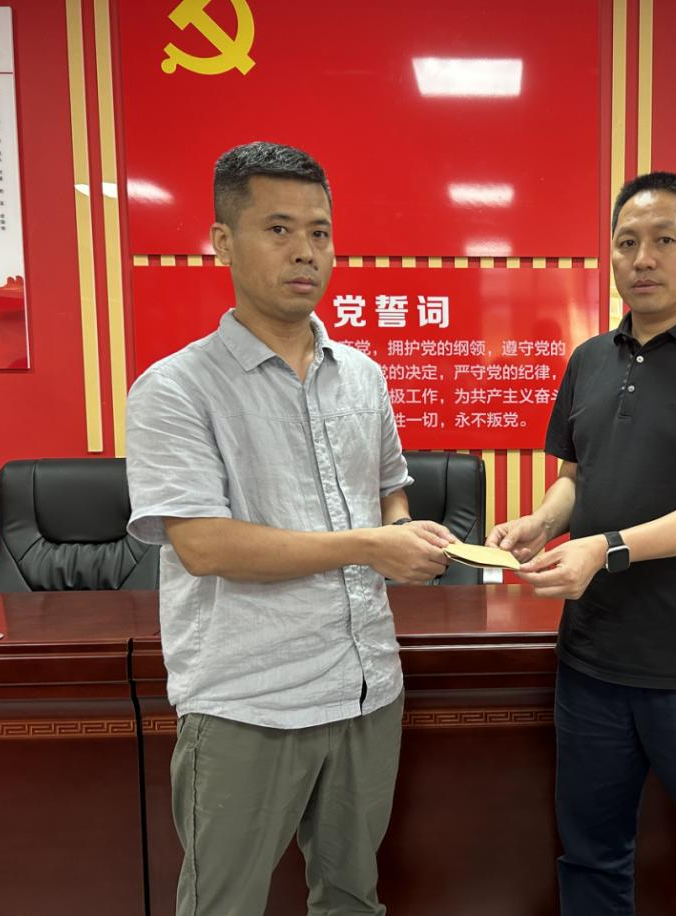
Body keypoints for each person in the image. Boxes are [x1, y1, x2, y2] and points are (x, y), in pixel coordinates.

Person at [125, 141, 455, 916]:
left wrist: (407, 534)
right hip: (250, 699)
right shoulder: (174, 389)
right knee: (224, 905)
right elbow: (204, 545)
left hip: (366, 685)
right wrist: (372, 546)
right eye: (278, 229)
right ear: (222, 241)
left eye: (319, 232)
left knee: (352, 898)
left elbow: (388, 490)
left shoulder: (362, 375)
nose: (306, 251)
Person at [488, 171, 676, 915]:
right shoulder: (590, 359)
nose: (642, 258)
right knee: (591, 861)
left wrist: (606, 549)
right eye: (627, 242)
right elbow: (577, 476)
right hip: (592, 662)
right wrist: (543, 521)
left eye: (664, 240)